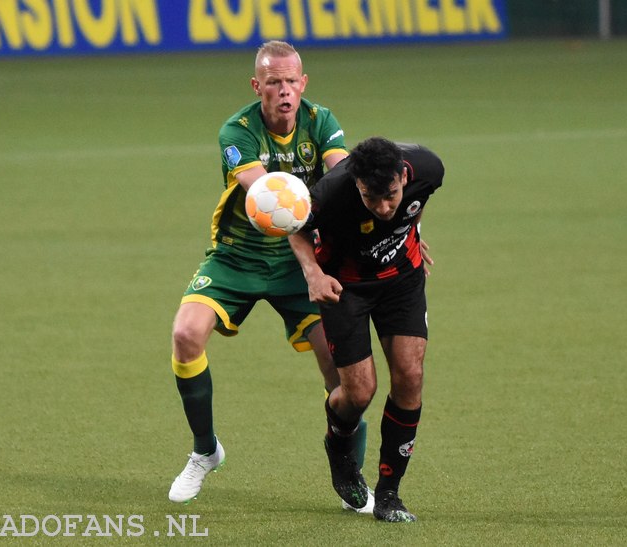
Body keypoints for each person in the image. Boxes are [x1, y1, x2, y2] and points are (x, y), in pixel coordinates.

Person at [168, 40, 373, 512]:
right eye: (274, 82)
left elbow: (342, 178)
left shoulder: (320, 120)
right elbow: (271, 203)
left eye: (291, 81)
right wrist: (313, 266)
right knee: (185, 334)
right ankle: (205, 451)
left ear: (303, 83)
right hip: (236, 257)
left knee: (342, 370)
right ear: (256, 85)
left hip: (298, 264)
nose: (284, 91)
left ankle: (350, 474)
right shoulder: (236, 131)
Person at [288, 137, 444, 522]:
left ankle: (389, 494)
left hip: (402, 282)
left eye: (390, 195)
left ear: (402, 175)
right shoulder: (330, 192)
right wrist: (313, 275)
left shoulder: (428, 168)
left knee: (409, 376)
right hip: (346, 287)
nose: (383, 207)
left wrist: (414, 234)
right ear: (356, 184)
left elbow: (417, 203)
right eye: (370, 199)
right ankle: (338, 447)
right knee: (359, 392)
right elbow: (296, 229)